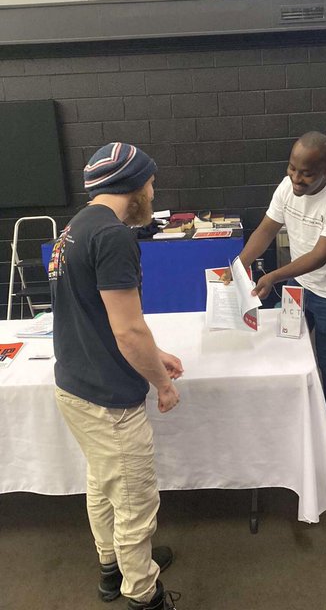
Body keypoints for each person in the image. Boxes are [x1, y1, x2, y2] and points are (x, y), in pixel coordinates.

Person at [49, 142, 183, 610]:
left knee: (103, 483)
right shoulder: (114, 236)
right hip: (108, 400)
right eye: (151, 182)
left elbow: (95, 314)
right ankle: (143, 594)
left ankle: (115, 566)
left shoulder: (74, 230)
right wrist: (162, 383)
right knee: (134, 501)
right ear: (133, 185)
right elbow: (128, 330)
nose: (153, 191)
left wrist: (154, 353)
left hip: (74, 386)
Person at [232, 131, 326, 446]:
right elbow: (266, 230)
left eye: (306, 173)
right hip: (299, 286)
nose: (296, 179)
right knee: (287, 347)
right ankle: (291, 412)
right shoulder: (286, 186)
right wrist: (237, 267)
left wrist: (272, 276)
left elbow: (319, 256)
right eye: (292, 168)